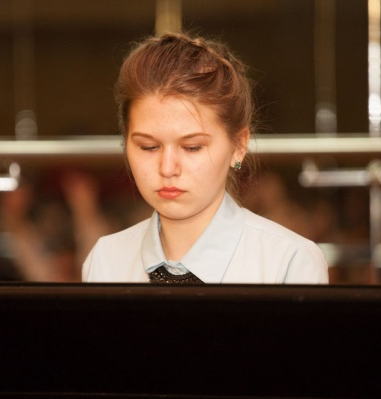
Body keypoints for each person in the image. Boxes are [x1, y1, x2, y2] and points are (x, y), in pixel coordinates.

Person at [82, 32, 328, 284]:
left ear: (239, 145)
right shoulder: (106, 260)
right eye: (149, 147)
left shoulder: (288, 261)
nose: (167, 168)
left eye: (192, 147)